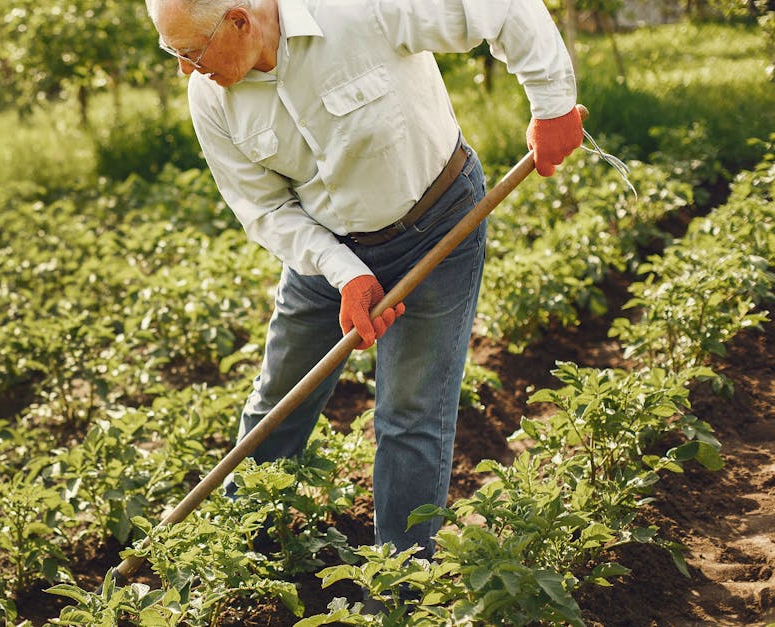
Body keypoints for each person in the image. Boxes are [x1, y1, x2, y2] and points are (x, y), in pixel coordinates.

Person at [144, 0, 583, 560]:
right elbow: (263, 210)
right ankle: (238, 554)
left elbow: (500, 8)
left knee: (409, 413)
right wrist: (346, 274)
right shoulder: (210, 98)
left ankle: (398, 580)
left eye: (191, 52)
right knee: (279, 397)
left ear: (238, 19)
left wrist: (552, 106)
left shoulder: (358, 9)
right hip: (326, 251)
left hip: (437, 223)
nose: (186, 69)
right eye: (173, 52)